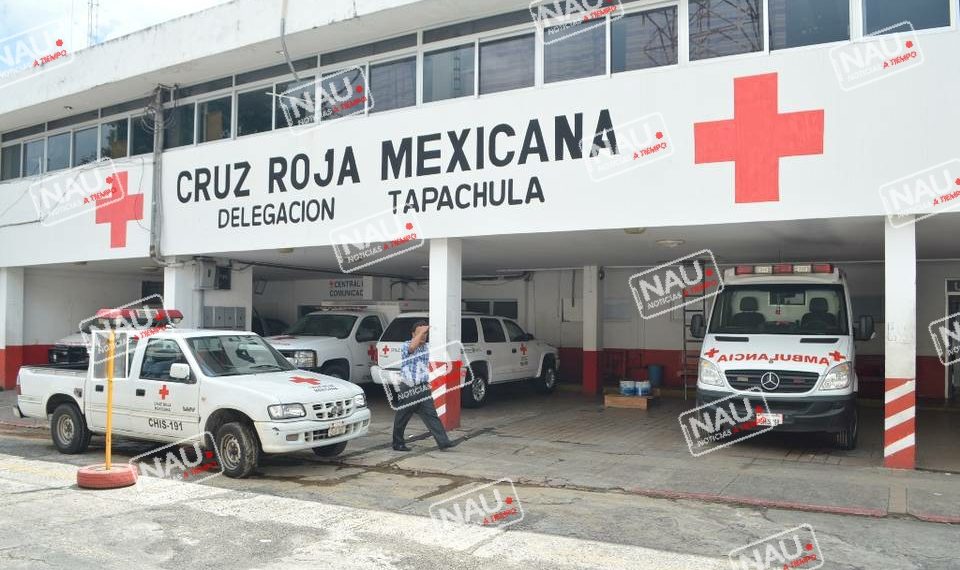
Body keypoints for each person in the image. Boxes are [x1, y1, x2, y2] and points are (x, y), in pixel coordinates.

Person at [391, 320, 458, 452]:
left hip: (423, 387)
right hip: (409, 387)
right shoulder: (406, 345)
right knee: (403, 416)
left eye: (425, 334)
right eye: (420, 333)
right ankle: (397, 443)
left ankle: (444, 442)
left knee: (431, 415)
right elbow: (412, 348)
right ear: (413, 334)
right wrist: (421, 331)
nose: (423, 336)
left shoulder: (427, 347)